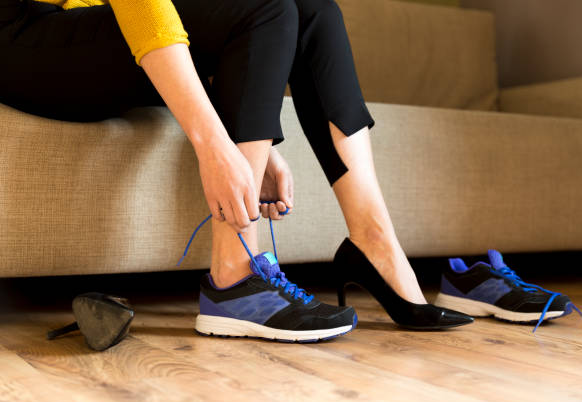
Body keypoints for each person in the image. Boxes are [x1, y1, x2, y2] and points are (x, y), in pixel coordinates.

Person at [0, 0, 473, 342]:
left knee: (313, 10)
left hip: (99, 26)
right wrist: (214, 144)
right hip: (24, 36)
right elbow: (144, 7)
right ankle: (234, 276)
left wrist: (256, 142)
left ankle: (374, 242)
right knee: (265, 8)